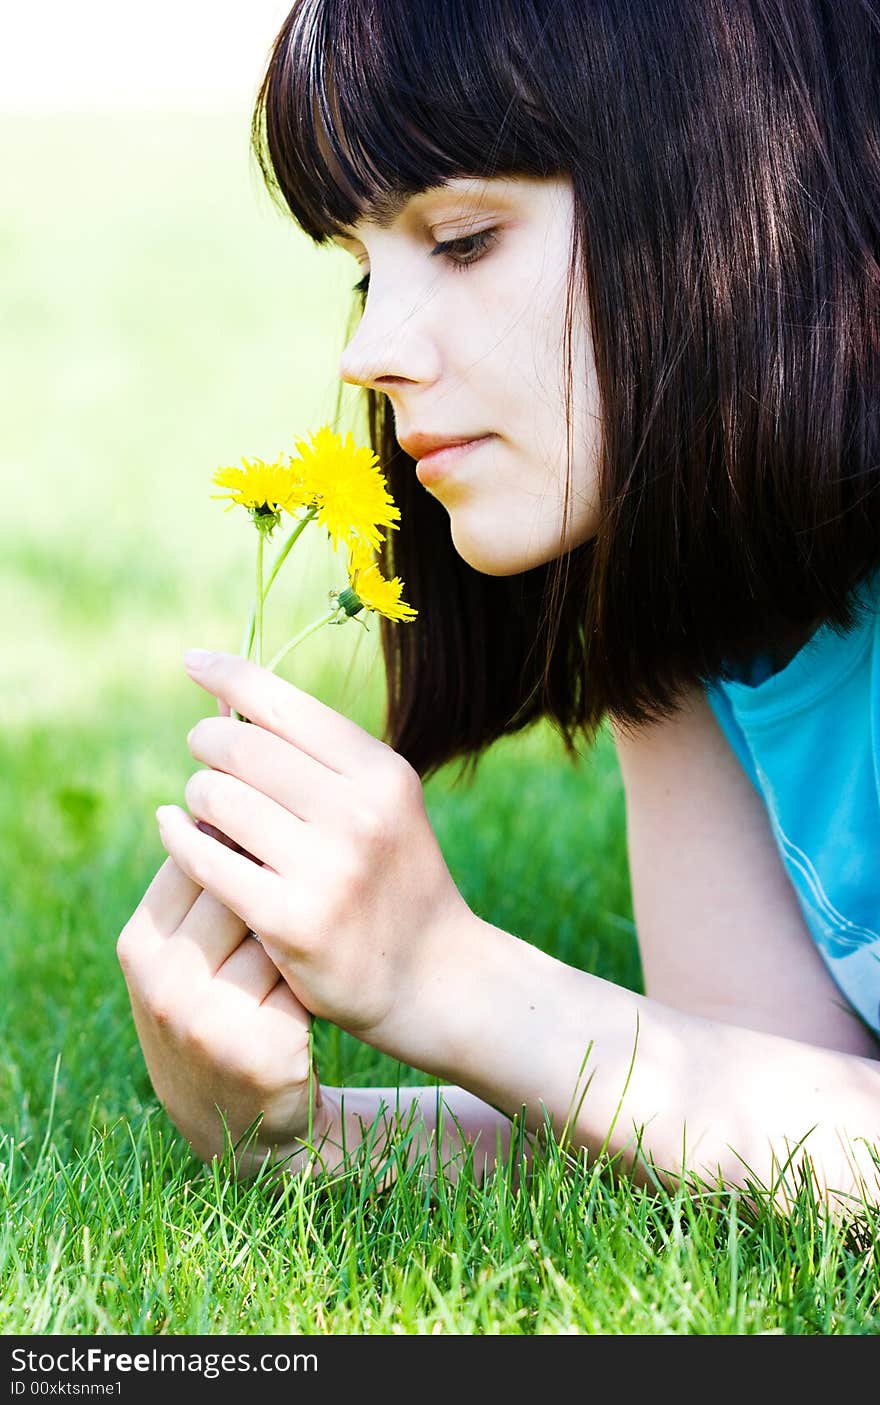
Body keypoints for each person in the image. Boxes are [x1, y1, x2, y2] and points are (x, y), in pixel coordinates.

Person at [116, 0, 880, 1212]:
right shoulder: (681, 605)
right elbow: (756, 1113)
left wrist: (447, 974)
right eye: (365, 269)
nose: (367, 350)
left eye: (463, 239)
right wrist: (293, 1138)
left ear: (734, 178)